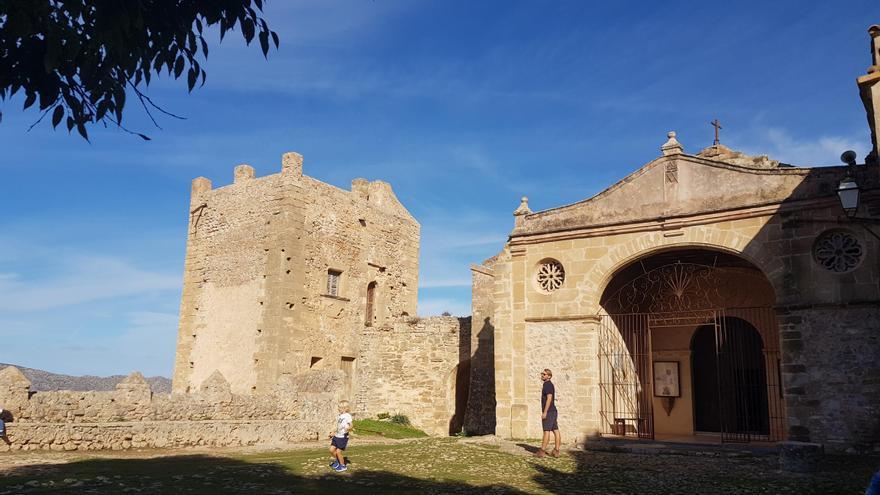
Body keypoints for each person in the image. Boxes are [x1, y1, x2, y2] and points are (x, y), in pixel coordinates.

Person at [536, 368, 561, 458]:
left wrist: (545, 412)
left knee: (546, 431)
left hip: (549, 412)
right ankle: (556, 451)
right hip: (553, 411)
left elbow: (549, 398)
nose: (542, 375)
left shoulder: (547, 385)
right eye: (542, 374)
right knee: (555, 430)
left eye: (544, 374)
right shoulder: (548, 384)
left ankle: (542, 451)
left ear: (549, 376)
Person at [329, 400, 353, 472]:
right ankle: (338, 461)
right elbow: (338, 426)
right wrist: (333, 432)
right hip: (337, 436)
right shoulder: (340, 416)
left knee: (338, 452)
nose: (338, 409)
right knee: (331, 450)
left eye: (339, 407)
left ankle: (343, 466)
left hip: (343, 437)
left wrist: (348, 428)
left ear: (344, 408)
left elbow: (351, 425)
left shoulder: (347, 416)